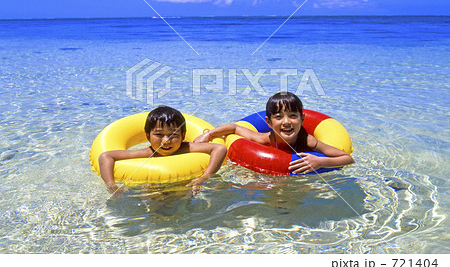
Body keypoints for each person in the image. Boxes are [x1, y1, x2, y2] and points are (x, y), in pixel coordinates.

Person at [194, 92, 354, 174]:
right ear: (269, 123)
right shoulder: (266, 139)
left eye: (293, 116)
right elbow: (235, 128)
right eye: (278, 117)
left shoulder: (309, 141)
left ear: (302, 119)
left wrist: (320, 162)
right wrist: (208, 135)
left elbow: (347, 158)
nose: (286, 122)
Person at [99, 106, 227, 193]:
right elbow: (106, 156)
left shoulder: (187, 148)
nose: (166, 141)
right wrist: (111, 185)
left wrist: (205, 177)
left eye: (174, 135)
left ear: (183, 136)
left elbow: (219, 149)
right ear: (148, 136)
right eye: (159, 135)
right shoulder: (148, 153)